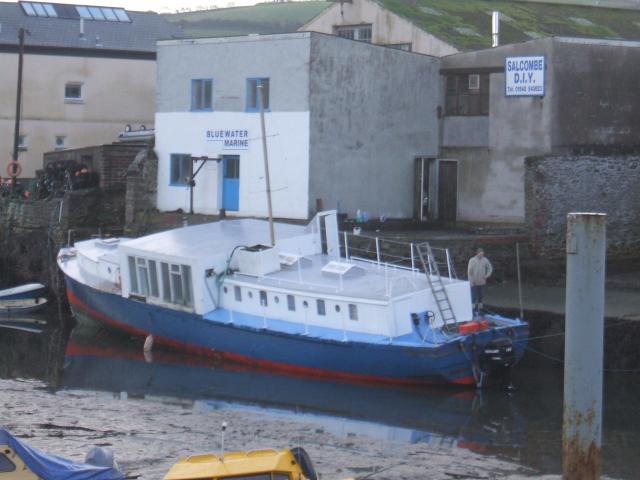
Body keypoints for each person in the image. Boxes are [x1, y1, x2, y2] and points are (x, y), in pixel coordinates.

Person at [467, 248, 493, 315]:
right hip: (474, 282)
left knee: (480, 297)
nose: (482, 255)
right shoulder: (472, 260)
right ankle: (472, 310)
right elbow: (469, 272)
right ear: (477, 253)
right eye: (481, 254)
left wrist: (487, 275)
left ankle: (480, 310)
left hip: (482, 282)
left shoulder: (485, 260)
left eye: (483, 254)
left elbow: (490, 268)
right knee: (474, 297)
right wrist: (471, 281)